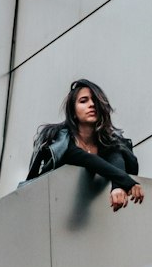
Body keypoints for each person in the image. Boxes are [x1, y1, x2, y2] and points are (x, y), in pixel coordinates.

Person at [24, 79, 145, 212]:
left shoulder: (110, 143)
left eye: (95, 101)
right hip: (50, 207)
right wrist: (126, 181)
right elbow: (84, 158)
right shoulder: (59, 139)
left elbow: (116, 158)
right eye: (83, 101)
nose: (92, 105)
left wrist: (118, 186)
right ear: (73, 112)